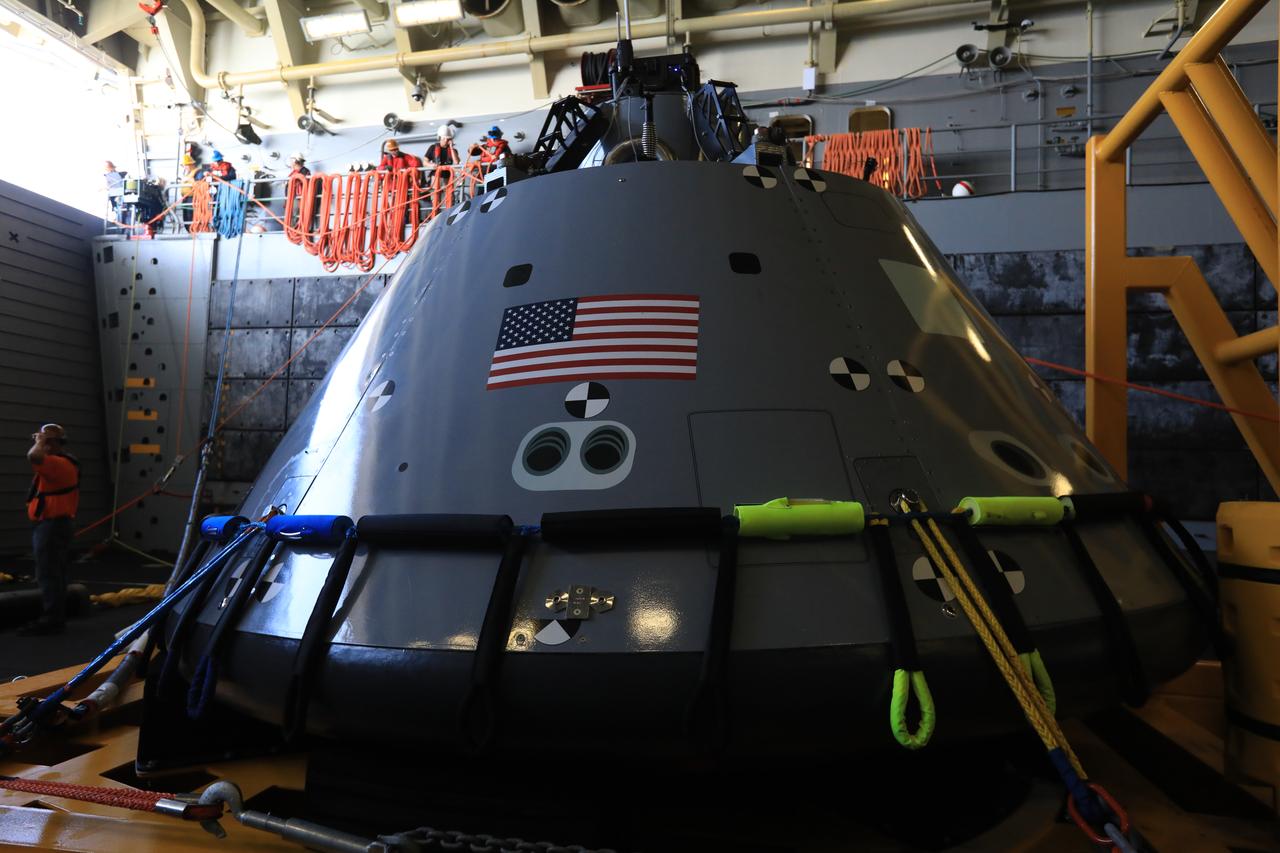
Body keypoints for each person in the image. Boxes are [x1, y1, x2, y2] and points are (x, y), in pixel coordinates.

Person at [20, 424, 80, 636]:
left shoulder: (57, 463)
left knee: (48, 572)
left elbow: (33, 456)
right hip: (53, 524)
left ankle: (52, 618)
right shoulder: (61, 463)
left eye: (44, 440)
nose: (40, 443)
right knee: (55, 571)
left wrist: (39, 442)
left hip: (52, 525)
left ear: (52, 443)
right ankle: (56, 614)